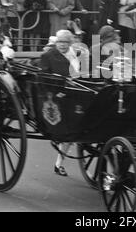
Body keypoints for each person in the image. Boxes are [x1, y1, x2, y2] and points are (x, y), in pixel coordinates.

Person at [40, 30, 81, 177]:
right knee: (68, 128)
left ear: (70, 43)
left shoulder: (75, 55)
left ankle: (58, 164)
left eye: (66, 42)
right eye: (60, 42)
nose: (62, 45)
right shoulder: (47, 56)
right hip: (53, 96)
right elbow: (43, 79)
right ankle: (59, 162)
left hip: (73, 94)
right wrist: (56, 92)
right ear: (56, 42)